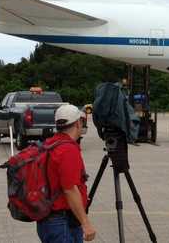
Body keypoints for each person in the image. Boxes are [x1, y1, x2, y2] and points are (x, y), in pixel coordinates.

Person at [37, 104, 96, 243]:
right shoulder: (67, 149)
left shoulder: (51, 143)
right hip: (60, 221)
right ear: (77, 123)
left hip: (51, 219)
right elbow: (69, 189)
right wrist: (86, 224)